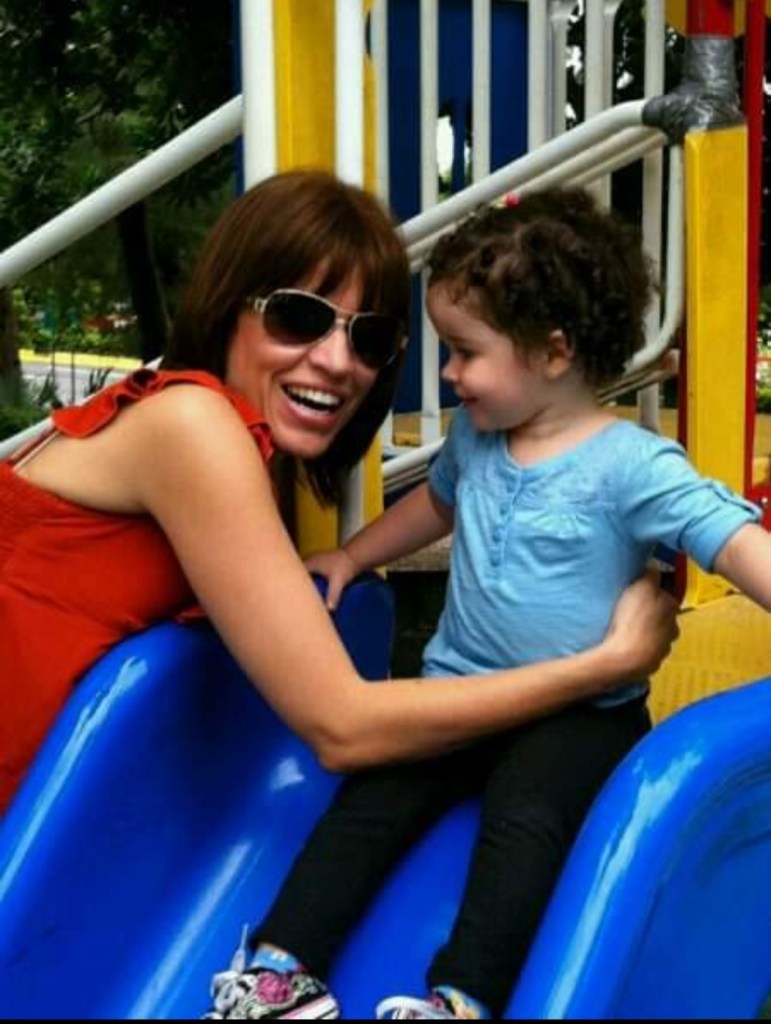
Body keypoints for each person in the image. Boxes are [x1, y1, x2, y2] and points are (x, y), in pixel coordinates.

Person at [0, 171, 675, 986]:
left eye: (370, 338)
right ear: (229, 305)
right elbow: (343, 727)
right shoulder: (192, 425)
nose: (336, 361)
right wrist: (604, 666)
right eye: (299, 316)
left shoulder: (233, 440)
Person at [204, 185, 771, 1023]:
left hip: (578, 716)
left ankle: (461, 998)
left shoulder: (631, 465)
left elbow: (728, 538)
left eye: (465, 352)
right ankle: (280, 972)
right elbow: (432, 506)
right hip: (458, 690)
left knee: (525, 826)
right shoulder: (477, 437)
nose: (447, 373)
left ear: (552, 353)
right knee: (368, 800)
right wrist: (353, 555)